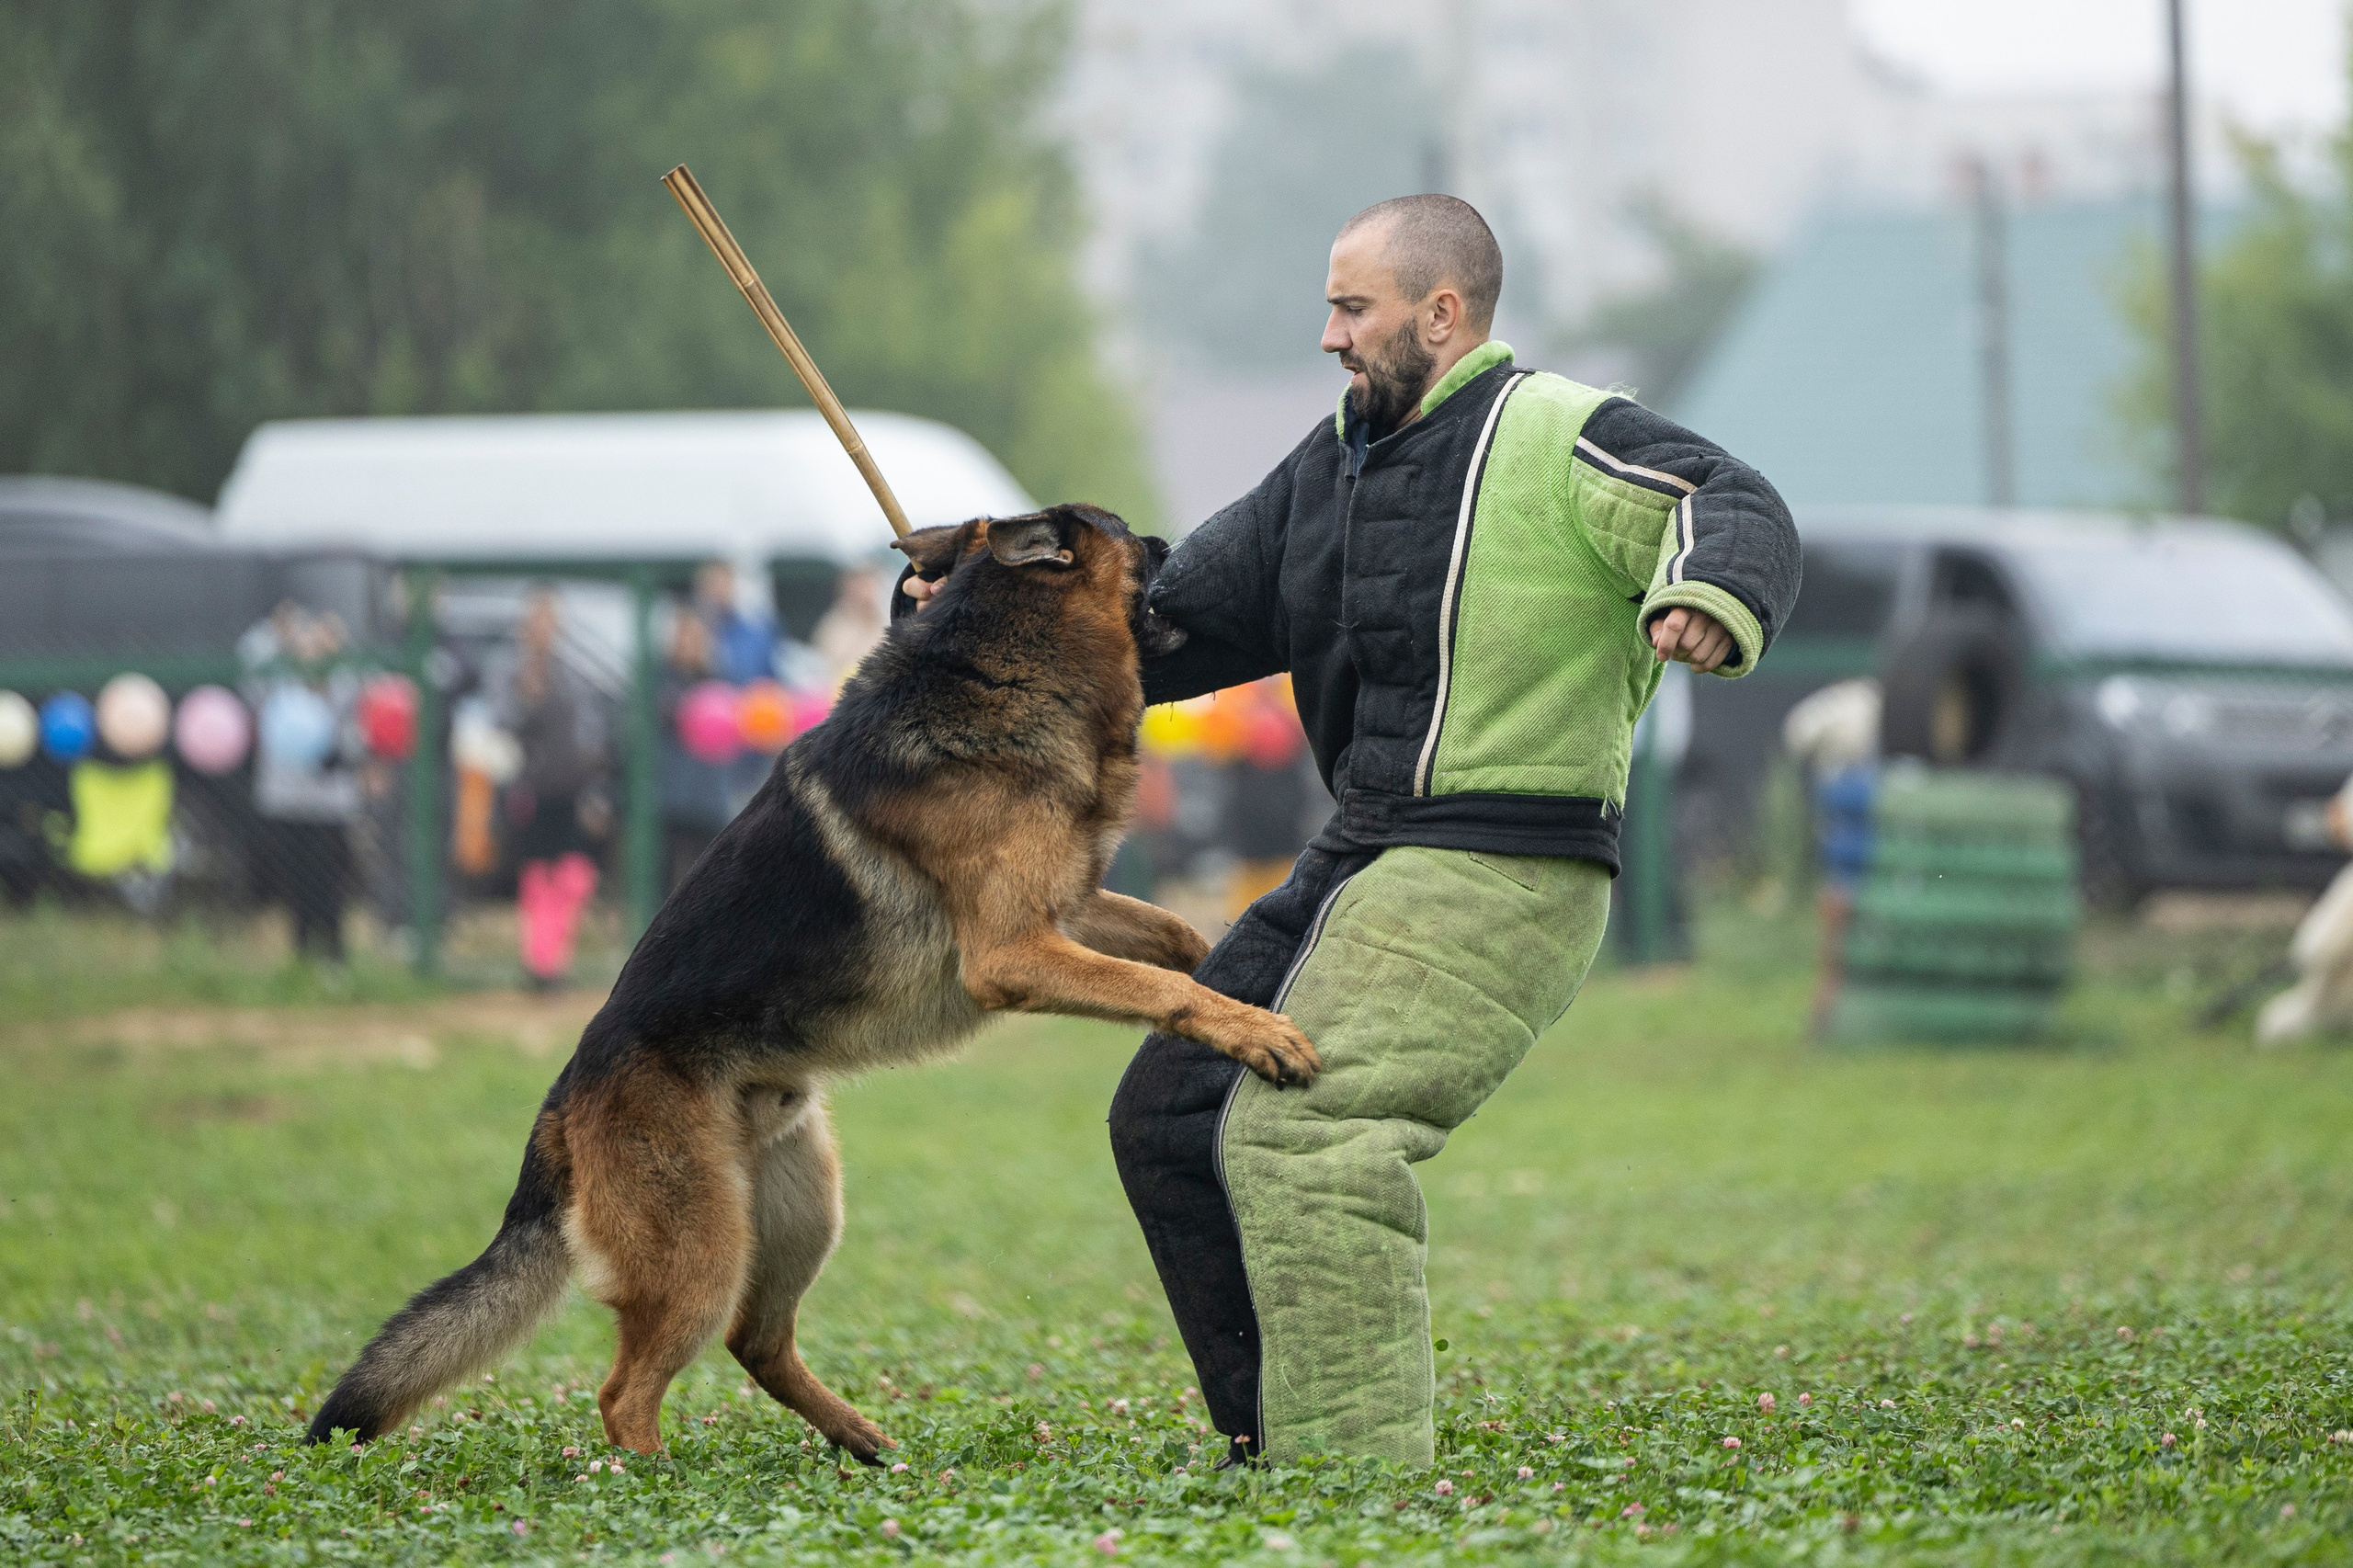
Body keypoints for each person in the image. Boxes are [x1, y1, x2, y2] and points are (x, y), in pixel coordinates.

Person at [909, 194, 1799, 1467]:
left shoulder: (1560, 434)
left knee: (1304, 1133)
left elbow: (1726, 495)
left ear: (1442, 314)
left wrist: (1709, 595)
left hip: (1509, 864)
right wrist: (995, 606)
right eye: (1331, 306)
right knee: (1168, 1117)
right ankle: (1273, 1445)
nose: (1329, 335)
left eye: (1352, 307)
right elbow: (1166, 614)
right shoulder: (1329, 465)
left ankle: (1355, 1488)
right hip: (1363, 856)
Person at [501, 588, 608, 989]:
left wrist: (596, 784)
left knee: (575, 873)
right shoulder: (510, 669)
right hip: (533, 789)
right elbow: (500, 726)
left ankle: (558, 957)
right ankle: (540, 963)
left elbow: (592, 732)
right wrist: (526, 702)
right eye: (538, 620)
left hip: (573, 789)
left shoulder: (572, 671)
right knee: (538, 874)